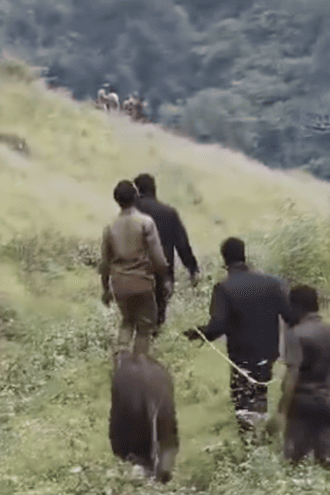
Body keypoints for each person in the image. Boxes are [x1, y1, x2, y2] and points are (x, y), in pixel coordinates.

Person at [183, 237, 300, 442]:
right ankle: (261, 437)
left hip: (241, 355)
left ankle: (251, 443)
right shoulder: (272, 283)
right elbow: (292, 316)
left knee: (244, 400)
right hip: (268, 353)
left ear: (224, 260)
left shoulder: (224, 288)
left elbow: (217, 326)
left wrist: (198, 333)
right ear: (244, 254)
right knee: (260, 391)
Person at [277, 285, 330, 468]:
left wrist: (281, 410)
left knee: (296, 464)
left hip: (302, 408)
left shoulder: (294, 335)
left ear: (295, 307)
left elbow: (292, 375)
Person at [99, 180, 170, 358]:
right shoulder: (145, 222)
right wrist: (164, 280)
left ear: (117, 200)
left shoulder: (110, 227)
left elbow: (105, 263)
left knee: (127, 321)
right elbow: (159, 259)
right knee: (144, 326)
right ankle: (139, 362)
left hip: (119, 284)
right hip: (142, 282)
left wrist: (106, 290)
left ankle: (121, 357)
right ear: (136, 197)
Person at [133, 173, 200, 333]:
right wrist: (192, 268)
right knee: (157, 319)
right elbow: (182, 244)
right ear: (154, 189)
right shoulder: (169, 213)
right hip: (162, 274)